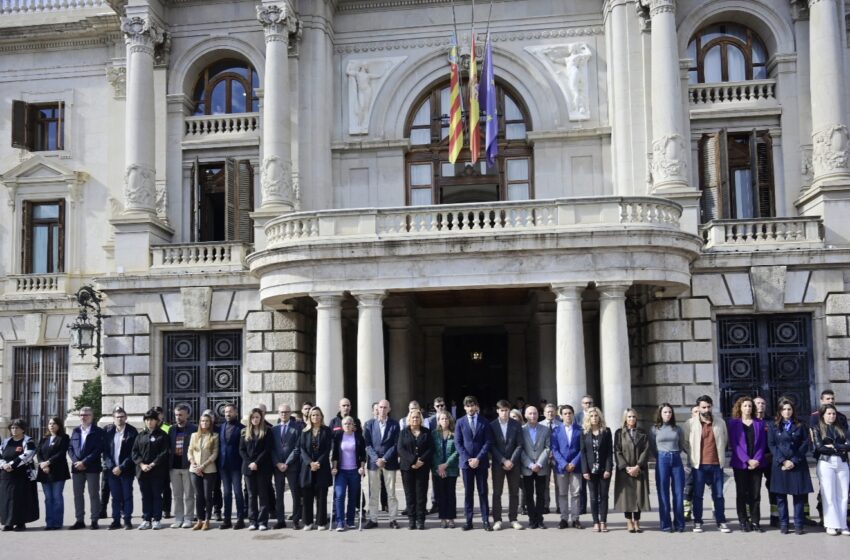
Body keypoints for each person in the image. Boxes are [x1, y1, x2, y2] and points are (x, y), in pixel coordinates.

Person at [683, 395, 731, 534]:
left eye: (709, 407)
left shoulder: (720, 422)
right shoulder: (690, 423)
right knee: (698, 495)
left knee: (718, 495)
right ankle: (698, 521)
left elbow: (725, 440)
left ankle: (721, 521)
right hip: (699, 465)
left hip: (716, 465)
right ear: (698, 408)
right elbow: (685, 443)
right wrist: (694, 457)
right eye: (703, 407)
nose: (706, 409)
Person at [768, 398, 814, 534]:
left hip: (797, 463)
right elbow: (772, 445)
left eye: (789, 409)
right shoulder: (773, 425)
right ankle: (784, 524)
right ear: (779, 411)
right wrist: (783, 461)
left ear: (793, 410)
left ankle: (799, 524)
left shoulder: (800, 425)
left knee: (798, 496)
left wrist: (793, 460)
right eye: (784, 409)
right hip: (780, 464)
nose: (787, 412)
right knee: (781, 497)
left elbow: (805, 444)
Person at [727, 396, 768, 532]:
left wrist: (756, 460)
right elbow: (735, 444)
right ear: (740, 407)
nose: (748, 408)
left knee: (755, 494)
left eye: (750, 406)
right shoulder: (734, 423)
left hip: (757, 463)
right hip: (741, 464)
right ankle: (743, 520)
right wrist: (747, 460)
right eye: (745, 406)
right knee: (742, 493)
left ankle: (755, 521)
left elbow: (763, 444)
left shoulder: (759, 423)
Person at [456, 395, 493, 531]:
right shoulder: (460, 422)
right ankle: (469, 521)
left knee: (483, 492)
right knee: (468, 493)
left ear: (476, 406)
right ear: (465, 408)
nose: (470, 408)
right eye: (468, 406)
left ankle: (485, 520)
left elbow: (488, 441)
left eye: (472, 405)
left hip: (481, 462)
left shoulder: (484, 422)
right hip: (466, 464)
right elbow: (458, 443)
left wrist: (478, 458)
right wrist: (468, 459)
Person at [812, 403, 850, 536]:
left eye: (833, 413)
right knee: (829, 494)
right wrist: (840, 447)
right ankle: (831, 525)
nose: (832, 416)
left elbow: (849, 445)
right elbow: (819, 447)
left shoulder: (842, 428)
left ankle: (843, 524)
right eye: (829, 413)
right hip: (826, 463)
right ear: (823, 415)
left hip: (842, 463)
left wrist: (833, 446)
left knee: (843, 495)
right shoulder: (817, 428)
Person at [363, 399, 401, 529]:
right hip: (374, 464)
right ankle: (373, 519)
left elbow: (396, 445)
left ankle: (393, 519)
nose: (383, 410)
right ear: (377, 409)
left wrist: (384, 459)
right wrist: (376, 459)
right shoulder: (369, 424)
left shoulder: (395, 425)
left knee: (391, 493)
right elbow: (367, 445)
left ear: (389, 409)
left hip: (389, 463)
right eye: (381, 407)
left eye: (385, 407)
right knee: (373, 493)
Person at [132, 408, 171, 530]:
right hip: (142, 471)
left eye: (152, 420)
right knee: (145, 495)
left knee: (156, 495)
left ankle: (157, 519)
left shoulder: (162, 435)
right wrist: (142, 464)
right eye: (147, 420)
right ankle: (146, 519)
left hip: (157, 471)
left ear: (157, 421)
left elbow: (165, 452)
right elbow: (134, 452)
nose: (149, 422)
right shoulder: (140, 436)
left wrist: (153, 464)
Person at [68, 406, 105, 530]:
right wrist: (76, 462)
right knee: (78, 495)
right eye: (82, 415)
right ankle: (79, 520)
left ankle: (94, 520)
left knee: (93, 494)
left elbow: (98, 449)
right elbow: (70, 448)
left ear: (92, 417)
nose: (84, 417)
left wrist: (84, 462)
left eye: (86, 415)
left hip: (92, 468)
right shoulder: (75, 431)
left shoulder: (98, 431)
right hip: (76, 468)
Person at [650, 403, 685, 533]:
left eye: (670, 412)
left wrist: (674, 453)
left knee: (678, 493)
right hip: (662, 459)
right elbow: (652, 446)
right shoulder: (654, 429)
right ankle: (666, 524)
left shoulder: (677, 428)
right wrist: (661, 455)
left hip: (676, 458)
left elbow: (681, 444)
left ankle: (680, 524)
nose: (668, 414)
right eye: (665, 412)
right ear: (660, 414)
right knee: (663, 493)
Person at [614, 408, 650, 533]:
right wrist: (626, 467)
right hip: (625, 470)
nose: (632, 419)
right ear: (625, 418)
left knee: (638, 495)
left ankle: (637, 521)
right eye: (629, 417)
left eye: (634, 416)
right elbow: (617, 451)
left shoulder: (642, 433)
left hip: (638, 468)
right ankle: (629, 521)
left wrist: (638, 466)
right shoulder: (619, 433)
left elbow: (646, 450)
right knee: (627, 496)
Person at [489, 399, 523, 531]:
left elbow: (520, 445)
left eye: (506, 410)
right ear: (497, 411)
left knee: (514, 492)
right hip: (498, 464)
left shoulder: (516, 424)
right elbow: (491, 446)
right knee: (497, 492)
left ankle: (513, 519)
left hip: (514, 464)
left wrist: (511, 461)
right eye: (502, 410)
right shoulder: (492, 426)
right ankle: (497, 520)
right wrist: (503, 460)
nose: (504, 413)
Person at [103, 407, 138, 530]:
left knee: (127, 495)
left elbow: (133, 453)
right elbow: (105, 452)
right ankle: (116, 520)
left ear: (126, 417)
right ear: (113, 418)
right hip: (112, 471)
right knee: (115, 497)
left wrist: (121, 467)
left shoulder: (132, 432)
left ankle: (127, 520)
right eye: (117, 417)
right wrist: (112, 467)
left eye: (122, 416)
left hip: (126, 470)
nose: (120, 419)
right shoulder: (107, 431)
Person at [397, 408, 433, 530]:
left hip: (422, 468)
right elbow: (401, 449)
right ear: (409, 419)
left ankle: (421, 520)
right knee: (410, 494)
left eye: (417, 417)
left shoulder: (427, 432)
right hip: (407, 468)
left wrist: (421, 461)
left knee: (421, 494)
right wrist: (413, 461)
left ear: (421, 419)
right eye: (413, 417)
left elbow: (431, 449)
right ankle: (411, 520)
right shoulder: (403, 432)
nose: (415, 419)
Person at [0, 419, 38, 531]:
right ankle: (8, 523)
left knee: (20, 499)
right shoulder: (5, 442)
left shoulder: (28, 441)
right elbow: (0, 455)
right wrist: (4, 465)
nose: (14, 430)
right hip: (6, 476)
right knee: (6, 499)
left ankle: (20, 523)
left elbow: (28, 454)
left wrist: (12, 465)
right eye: (12, 427)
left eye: (16, 427)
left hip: (21, 475)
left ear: (23, 429)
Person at [299, 406, 333, 530]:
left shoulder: (327, 431)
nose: (315, 417)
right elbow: (302, 449)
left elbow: (327, 449)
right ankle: (307, 522)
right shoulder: (304, 431)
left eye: (317, 415)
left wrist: (318, 463)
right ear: (309, 417)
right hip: (307, 469)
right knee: (307, 496)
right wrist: (310, 463)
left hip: (322, 467)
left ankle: (321, 522)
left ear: (321, 416)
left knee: (321, 496)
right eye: (313, 415)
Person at [331, 415, 365, 531]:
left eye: (350, 423)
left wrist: (362, 468)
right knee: (340, 495)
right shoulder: (338, 436)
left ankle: (350, 521)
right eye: (345, 424)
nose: (347, 425)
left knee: (353, 496)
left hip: (354, 471)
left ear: (353, 425)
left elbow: (362, 455)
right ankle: (340, 521)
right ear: (342, 425)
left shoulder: (358, 437)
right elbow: (335, 454)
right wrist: (334, 468)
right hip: (341, 471)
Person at [581, 406, 612, 532]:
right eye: (591, 416)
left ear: (600, 417)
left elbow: (610, 452)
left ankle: (603, 521)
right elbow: (582, 453)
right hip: (590, 470)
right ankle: (595, 522)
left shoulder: (606, 431)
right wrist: (584, 471)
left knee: (604, 496)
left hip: (603, 468)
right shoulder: (584, 432)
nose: (594, 418)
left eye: (596, 416)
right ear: (588, 418)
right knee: (593, 497)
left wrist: (608, 469)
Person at [271, 403, 303, 529]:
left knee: (295, 494)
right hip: (278, 466)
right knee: (279, 494)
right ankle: (280, 520)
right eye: (281, 412)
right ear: (279, 414)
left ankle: (295, 520)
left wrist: (287, 463)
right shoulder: (274, 429)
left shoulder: (297, 428)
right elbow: (272, 449)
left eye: (286, 412)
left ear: (290, 413)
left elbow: (297, 448)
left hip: (292, 466)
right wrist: (278, 463)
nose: (284, 414)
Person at [552, 404, 583, 530]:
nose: (568, 415)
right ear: (561, 415)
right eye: (565, 413)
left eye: (570, 413)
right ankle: (564, 519)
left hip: (576, 466)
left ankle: (575, 519)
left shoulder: (580, 430)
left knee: (575, 494)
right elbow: (554, 449)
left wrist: (574, 463)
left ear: (573, 414)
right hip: (561, 467)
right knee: (563, 493)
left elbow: (582, 449)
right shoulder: (556, 430)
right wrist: (564, 464)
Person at [240, 408, 272, 531]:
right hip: (248, 468)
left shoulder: (267, 431)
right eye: (253, 417)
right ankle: (253, 521)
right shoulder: (244, 432)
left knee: (263, 495)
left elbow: (267, 449)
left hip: (262, 467)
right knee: (251, 495)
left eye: (257, 417)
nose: (255, 419)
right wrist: (250, 463)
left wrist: (256, 462)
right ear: (250, 418)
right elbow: (241, 450)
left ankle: (263, 521)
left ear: (261, 418)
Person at [36, 416, 70, 530]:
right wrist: (42, 464)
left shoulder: (64, 437)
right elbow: (38, 452)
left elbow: (61, 453)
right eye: (50, 423)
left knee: (57, 497)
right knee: (48, 498)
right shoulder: (44, 438)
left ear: (59, 425)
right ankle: (49, 523)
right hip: (44, 471)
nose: (51, 425)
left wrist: (48, 462)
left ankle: (57, 523)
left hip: (58, 472)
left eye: (54, 423)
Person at [520, 405, 551, 529]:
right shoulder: (521, 430)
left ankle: (540, 519)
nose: (533, 416)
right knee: (528, 494)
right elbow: (520, 449)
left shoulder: (545, 429)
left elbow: (548, 448)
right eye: (530, 413)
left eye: (535, 413)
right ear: (525, 415)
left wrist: (539, 463)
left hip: (541, 467)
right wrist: (530, 464)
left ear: (538, 415)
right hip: (527, 467)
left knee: (541, 494)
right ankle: (532, 519)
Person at [188, 411, 219, 531]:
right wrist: (193, 463)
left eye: (206, 421)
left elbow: (215, 453)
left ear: (210, 423)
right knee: (198, 495)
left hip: (209, 469)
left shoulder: (214, 436)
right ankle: (199, 520)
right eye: (202, 421)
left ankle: (207, 520)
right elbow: (190, 451)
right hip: (194, 469)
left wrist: (203, 466)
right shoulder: (194, 435)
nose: (204, 423)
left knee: (207, 496)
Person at [168, 404, 197, 529]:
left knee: (189, 494)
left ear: (187, 415)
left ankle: (189, 518)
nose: (178, 417)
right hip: (174, 467)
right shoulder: (171, 429)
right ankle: (179, 518)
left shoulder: (194, 429)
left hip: (188, 466)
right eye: (176, 415)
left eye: (180, 415)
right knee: (177, 495)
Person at [218, 403, 245, 529]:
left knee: (238, 492)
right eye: (225, 412)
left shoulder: (242, 428)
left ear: (236, 412)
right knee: (227, 493)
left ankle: (240, 519)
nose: (227, 414)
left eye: (230, 412)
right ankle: (227, 519)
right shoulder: (221, 427)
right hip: (223, 465)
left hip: (236, 465)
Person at [754, 396, 779, 527]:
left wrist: (772, 454)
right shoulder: (750, 421)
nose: (761, 405)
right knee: (755, 490)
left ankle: (775, 517)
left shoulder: (773, 421)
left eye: (763, 403)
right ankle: (755, 519)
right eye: (758, 403)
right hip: (756, 461)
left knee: (773, 489)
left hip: (771, 459)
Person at [432, 410, 459, 528]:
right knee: (440, 494)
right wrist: (440, 466)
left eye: (446, 419)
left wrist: (446, 464)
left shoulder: (455, 434)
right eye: (442, 419)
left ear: (450, 420)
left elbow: (457, 451)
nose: (444, 421)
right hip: (438, 470)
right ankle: (443, 518)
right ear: (439, 421)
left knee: (450, 494)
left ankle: (451, 518)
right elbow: (432, 452)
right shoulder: (434, 434)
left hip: (451, 468)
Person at [540, 403, 561, 514]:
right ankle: (545, 505)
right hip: (544, 458)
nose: (550, 413)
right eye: (548, 411)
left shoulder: (560, 425)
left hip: (557, 458)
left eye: (552, 411)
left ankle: (559, 506)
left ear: (555, 412)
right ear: (544, 413)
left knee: (559, 484)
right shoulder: (540, 425)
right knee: (544, 483)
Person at [576, 395, 594, 514]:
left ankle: (595, 508)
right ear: (582, 404)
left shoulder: (596, 414)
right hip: (581, 450)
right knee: (581, 483)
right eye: (585, 403)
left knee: (594, 483)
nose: (587, 405)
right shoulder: (577, 416)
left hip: (594, 451)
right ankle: (582, 507)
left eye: (589, 403)